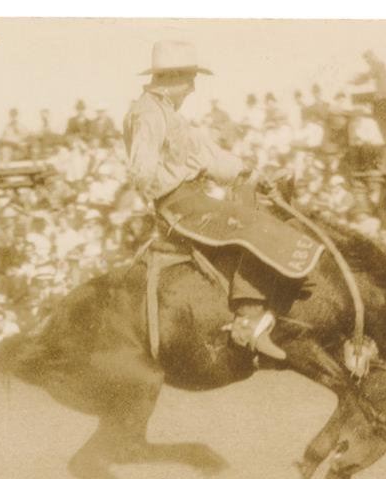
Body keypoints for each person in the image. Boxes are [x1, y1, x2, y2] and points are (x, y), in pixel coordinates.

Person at [122, 40, 323, 360]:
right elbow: (142, 170)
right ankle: (247, 319)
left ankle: (281, 291)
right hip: (179, 205)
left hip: (193, 196)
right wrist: (166, 190)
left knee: (257, 205)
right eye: (190, 79)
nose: (192, 88)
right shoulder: (147, 113)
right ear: (171, 77)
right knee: (253, 224)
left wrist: (250, 173)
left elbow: (210, 156)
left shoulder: (169, 114)